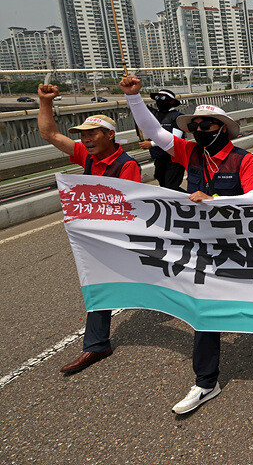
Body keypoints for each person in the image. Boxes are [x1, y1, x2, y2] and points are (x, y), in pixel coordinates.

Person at [120, 74, 253, 415]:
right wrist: (134, 98)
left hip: (241, 243)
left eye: (207, 124)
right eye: (196, 124)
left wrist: (213, 199)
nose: (199, 129)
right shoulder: (190, 153)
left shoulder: (244, 159)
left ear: (222, 129)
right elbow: (156, 133)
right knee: (205, 308)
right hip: (202, 245)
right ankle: (206, 382)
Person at [37, 84, 142, 375]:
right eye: (82, 135)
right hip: (98, 238)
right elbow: (49, 134)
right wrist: (45, 102)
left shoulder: (126, 165)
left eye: (91, 134)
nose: (85, 140)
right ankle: (97, 345)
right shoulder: (87, 157)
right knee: (100, 286)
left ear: (110, 135)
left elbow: (127, 209)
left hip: (120, 236)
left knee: (161, 277)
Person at [139, 88, 185, 190]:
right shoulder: (153, 115)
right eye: (158, 98)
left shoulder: (177, 117)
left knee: (171, 187)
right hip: (159, 158)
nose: (160, 101)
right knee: (163, 186)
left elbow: (175, 139)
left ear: (172, 101)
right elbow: (138, 109)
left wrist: (151, 144)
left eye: (164, 98)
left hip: (174, 159)